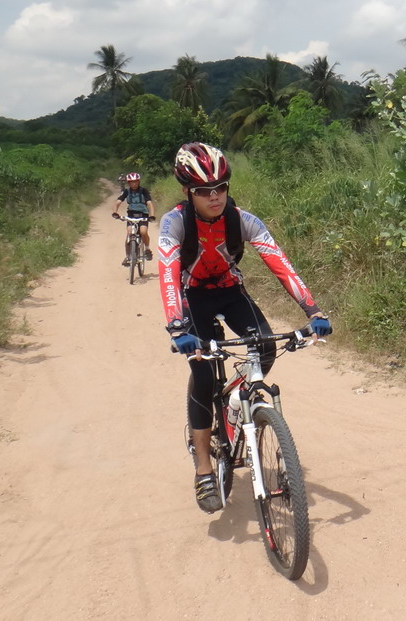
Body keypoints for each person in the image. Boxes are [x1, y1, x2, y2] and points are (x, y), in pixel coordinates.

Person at [157, 142, 332, 514]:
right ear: (187, 191)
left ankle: (235, 401)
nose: (215, 196)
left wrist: (313, 311)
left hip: (229, 291)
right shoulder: (175, 223)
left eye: (221, 187)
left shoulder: (242, 220)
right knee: (203, 373)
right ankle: (203, 468)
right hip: (193, 298)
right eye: (204, 190)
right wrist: (177, 328)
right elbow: (169, 275)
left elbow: (280, 263)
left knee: (266, 349)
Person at [112, 172, 156, 265]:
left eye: (136, 182)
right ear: (129, 183)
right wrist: (115, 212)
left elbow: (149, 203)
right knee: (129, 233)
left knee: (143, 232)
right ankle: (128, 256)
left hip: (143, 214)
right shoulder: (127, 191)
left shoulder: (143, 191)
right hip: (131, 215)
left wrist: (152, 216)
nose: (134, 184)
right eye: (132, 182)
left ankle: (147, 249)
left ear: (138, 182)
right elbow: (118, 201)